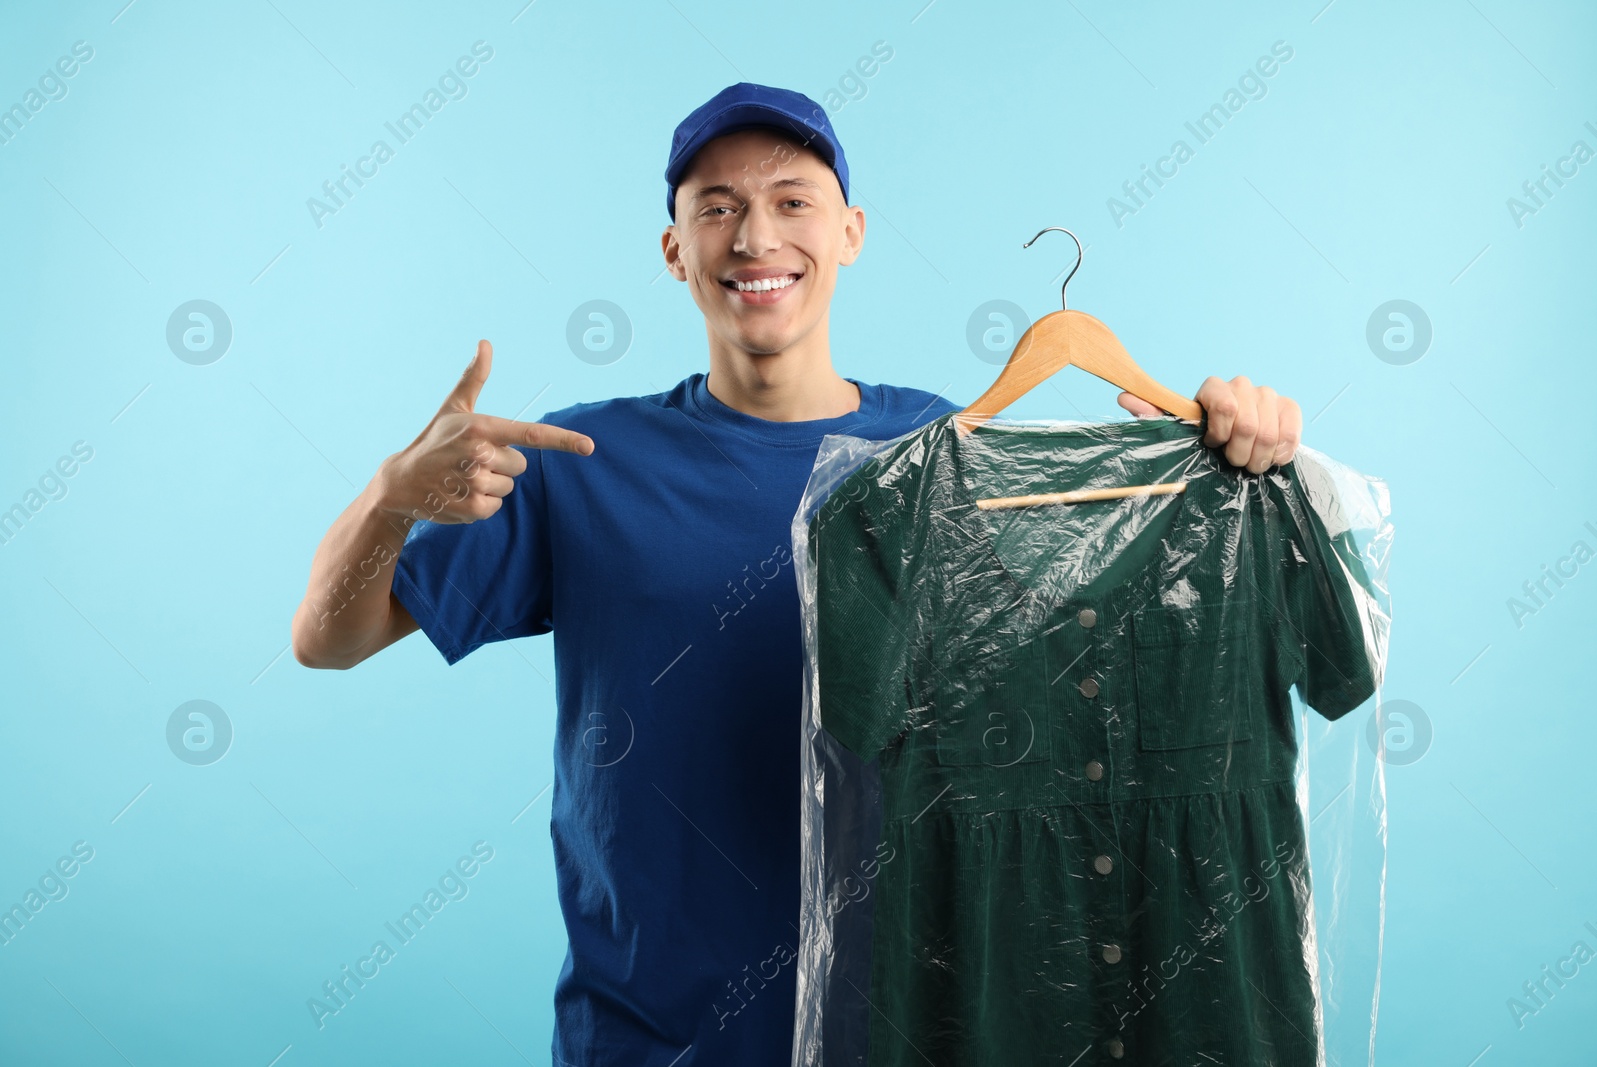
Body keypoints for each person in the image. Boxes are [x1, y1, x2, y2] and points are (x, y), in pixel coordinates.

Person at [290, 82, 1305, 1066]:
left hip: (911, 1028)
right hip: (649, 1037)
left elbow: (1085, 694)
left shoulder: (948, 454)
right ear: (673, 248)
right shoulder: (576, 461)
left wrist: (1231, 457)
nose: (754, 238)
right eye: (717, 208)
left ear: (850, 232)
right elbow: (325, 638)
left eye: (790, 203)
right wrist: (387, 496)